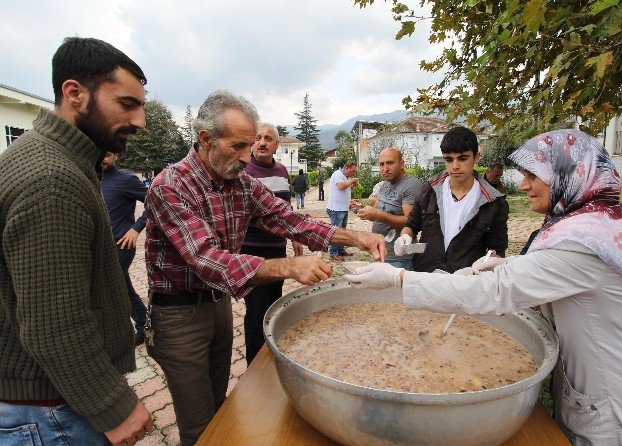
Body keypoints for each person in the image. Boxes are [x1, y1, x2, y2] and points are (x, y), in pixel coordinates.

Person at [346, 129, 622, 445]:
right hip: (604, 389)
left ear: (569, 175)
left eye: (533, 175)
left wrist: (396, 278)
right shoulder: (596, 223)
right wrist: (505, 265)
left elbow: (496, 291)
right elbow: (548, 274)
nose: (524, 184)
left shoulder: (584, 243)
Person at [143, 89, 385, 446]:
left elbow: (286, 218)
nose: (246, 157)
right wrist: (290, 266)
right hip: (179, 317)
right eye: (238, 146)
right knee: (198, 426)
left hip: (218, 305)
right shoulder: (171, 186)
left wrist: (356, 239)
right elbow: (208, 259)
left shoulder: (240, 183)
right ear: (206, 138)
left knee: (219, 404)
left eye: (250, 145)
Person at [0, 37, 153, 446]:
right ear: (74, 93)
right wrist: (113, 405)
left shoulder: (59, 159)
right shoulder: (53, 180)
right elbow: (54, 323)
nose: (140, 121)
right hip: (50, 412)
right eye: (126, 104)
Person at [396, 126, 509, 273]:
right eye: (449, 159)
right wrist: (405, 237)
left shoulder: (494, 203)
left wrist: (486, 262)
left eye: (462, 158)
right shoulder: (429, 191)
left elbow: (495, 249)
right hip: (425, 277)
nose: (455, 166)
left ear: (476, 157)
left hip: (466, 283)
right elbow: (411, 225)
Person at [242, 123, 303, 364]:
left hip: (276, 248)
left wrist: (295, 236)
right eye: (257, 138)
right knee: (256, 311)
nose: (262, 143)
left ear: (277, 145)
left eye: (268, 138)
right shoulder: (243, 171)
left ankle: (271, 355)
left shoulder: (281, 171)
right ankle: (254, 365)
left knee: (274, 305)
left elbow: (286, 209)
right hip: (251, 250)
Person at [101, 151, 149, 346]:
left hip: (121, 245)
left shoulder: (126, 180)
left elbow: (155, 202)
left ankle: (143, 326)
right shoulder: (89, 177)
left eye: (109, 154)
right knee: (120, 287)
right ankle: (145, 324)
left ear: (116, 156)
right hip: (99, 246)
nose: (104, 157)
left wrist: (136, 229)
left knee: (115, 287)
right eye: (101, 152)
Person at [357, 148, 422, 270]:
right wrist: (367, 211)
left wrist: (377, 215)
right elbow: (379, 209)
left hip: (399, 259)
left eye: (390, 163)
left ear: (401, 164)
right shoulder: (386, 183)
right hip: (380, 252)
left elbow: (411, 222)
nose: (385, 169)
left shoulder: (411, 185)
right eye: (381, 164)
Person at [326, 160, 359, 260]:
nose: (354, 173)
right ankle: (333, 252)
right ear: (347, 168)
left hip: (343, 208)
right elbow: (341, 186)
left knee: (342, 232)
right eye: (353, 171)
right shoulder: (337, 174)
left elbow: (345, 190)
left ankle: (340, 250)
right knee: (336, 232)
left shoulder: (345, 177)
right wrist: (352, 181)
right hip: (336, 209)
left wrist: (352, 186)